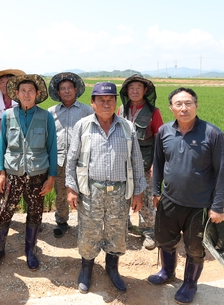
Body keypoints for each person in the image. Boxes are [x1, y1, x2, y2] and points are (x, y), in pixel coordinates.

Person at [148, 88, 224, 304]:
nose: (184, 108)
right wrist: (156, 191)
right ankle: (167, 272)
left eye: (188, 103)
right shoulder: (165, 131)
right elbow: (158, 163)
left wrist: (218, 206)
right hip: (169, 201)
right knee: (166, 241)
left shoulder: (213, 134)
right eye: (178, 104)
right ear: (171, 108)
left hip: (200, 205)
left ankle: (190, 284)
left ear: (196, 105)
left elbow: (222, 172)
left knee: (194, 248)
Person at [66, 82, 147, 293]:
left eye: (110, 99)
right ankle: (86, 268)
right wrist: (71, 189)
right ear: (92, 103)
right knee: (89, 231)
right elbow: (71, 160)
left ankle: (112, 268)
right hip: (90, 190)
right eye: (100, 100)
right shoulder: (83, 126)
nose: (105, 103)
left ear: (115, 102)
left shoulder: (127, 127)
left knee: (117, 231)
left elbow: (136, 161)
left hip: (120, 192)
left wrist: (138, 192)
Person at [0, 74, 57, 272]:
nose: (26, 94)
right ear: (16, 94)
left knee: (35, 214)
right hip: (13, 174)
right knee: (4, 213)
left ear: (37, 94)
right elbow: (2, 146)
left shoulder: (46, 116)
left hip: (38, 175)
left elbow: (52, 148)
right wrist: (1, 173)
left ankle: (30, 251)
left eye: (30, 91)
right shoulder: (8, 116)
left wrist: (51, 178)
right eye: (23, 91)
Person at [118, 74, 164, 250]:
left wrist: (155, 164)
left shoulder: (154, 112)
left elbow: (159, 140)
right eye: (131, 88)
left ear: (145, 91)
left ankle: (148, 232)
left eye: (138, 87)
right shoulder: (122, 110)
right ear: (126, 91)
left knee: (144, 199)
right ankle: (125, 225)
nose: (135, 91)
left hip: (145, 163)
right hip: (123, 162)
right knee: (123, 195)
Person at [48, 72, 94, 238]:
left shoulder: (86, 110)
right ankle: (61, 221)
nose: (66, 91)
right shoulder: (51, 112)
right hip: (60, 161)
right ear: (58, 92)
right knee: (61, 193)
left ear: (76, 90)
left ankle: (85, 224)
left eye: (69, 88)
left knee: (84, 192)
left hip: (81, 160)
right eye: (62, 88)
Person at [0, 68, 26, 202]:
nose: (5, 85)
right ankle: (2, 211)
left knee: (18, 180)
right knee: (0, 179)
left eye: (8, 81)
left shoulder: (22, 101)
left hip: (19, 148)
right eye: (2, 82)